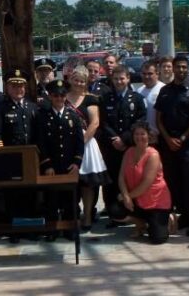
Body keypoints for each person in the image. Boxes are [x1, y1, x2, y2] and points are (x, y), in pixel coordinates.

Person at [0, 69, 39, 243]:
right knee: (13, 198)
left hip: (30, 159)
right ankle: (15, 231)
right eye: (14, 86)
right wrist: (3, 157)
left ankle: (30, 229)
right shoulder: (0, 108)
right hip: (11, 160)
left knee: (30, 195)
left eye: (21, 86)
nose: (18, 89)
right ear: (7, 88)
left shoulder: (32, 107)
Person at [155, 55, 189, 236]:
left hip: (188, 143)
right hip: (169, 144)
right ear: (173, 69)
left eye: (184, 67)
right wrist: (168, 139)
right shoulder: (165, 91)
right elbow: (159, 119)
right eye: (178, 67)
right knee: (174, 183)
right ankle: (183, 216)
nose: (181, 70)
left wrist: (182, 138)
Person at [36, 79, 84, 241]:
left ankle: (70, 229)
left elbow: (79, 142)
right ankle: (52, 230)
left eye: (62, 95)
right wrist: (47, 164)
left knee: (70, 199)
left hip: (69, 165)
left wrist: (77, 163)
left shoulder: (73, 115)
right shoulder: (43, 116)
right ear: (50, 96)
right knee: (52, 200)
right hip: (52, 167)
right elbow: (40, 142)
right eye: (56, 95)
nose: (59, 99)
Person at [108, 121, 171, 244]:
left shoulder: (153, 155)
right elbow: (121, 177)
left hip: (155, 202)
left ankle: (169, 218)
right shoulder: (129, 151)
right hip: (136, 200)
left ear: (149, 136)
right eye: (136, 134)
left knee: (158, 239)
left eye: (142, 134)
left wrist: (127, 197)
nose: (139, 137)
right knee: (114, 210)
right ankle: (140, 223)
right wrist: (126, 196)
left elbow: (146, 185)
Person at [99, 65, 146, 226]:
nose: (119, 81)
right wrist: (114, 138)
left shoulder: (137, 98)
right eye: (116, 79)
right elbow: (103, 122)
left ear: (128, 79)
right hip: (111, 148)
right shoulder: (105, 98)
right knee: (111, 183)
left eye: (122, 78)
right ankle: (114, 215)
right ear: (112, 80)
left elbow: (140, 121)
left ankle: (131, 212)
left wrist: (124, 139)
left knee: (130, 180)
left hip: (129, 148)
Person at [66, 66, 110, 230]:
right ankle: (72, 215)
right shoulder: (63, 97)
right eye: (76, 79)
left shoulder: (91, 99)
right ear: (70, 79)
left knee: (87, 183)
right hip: (66, 144)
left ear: (86, 83)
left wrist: (81, 143)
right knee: (70, 182)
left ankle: (88, 216)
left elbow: (95, 123)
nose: (78, 83)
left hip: (86, 143)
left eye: (82, 81)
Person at [136, 61, 165, 140]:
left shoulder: (164, 90)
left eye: (150, 74)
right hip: (143, 138)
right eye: (144, 74)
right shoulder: (138, 91)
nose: (147, 76)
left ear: (157, 74)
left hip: (161, 137)